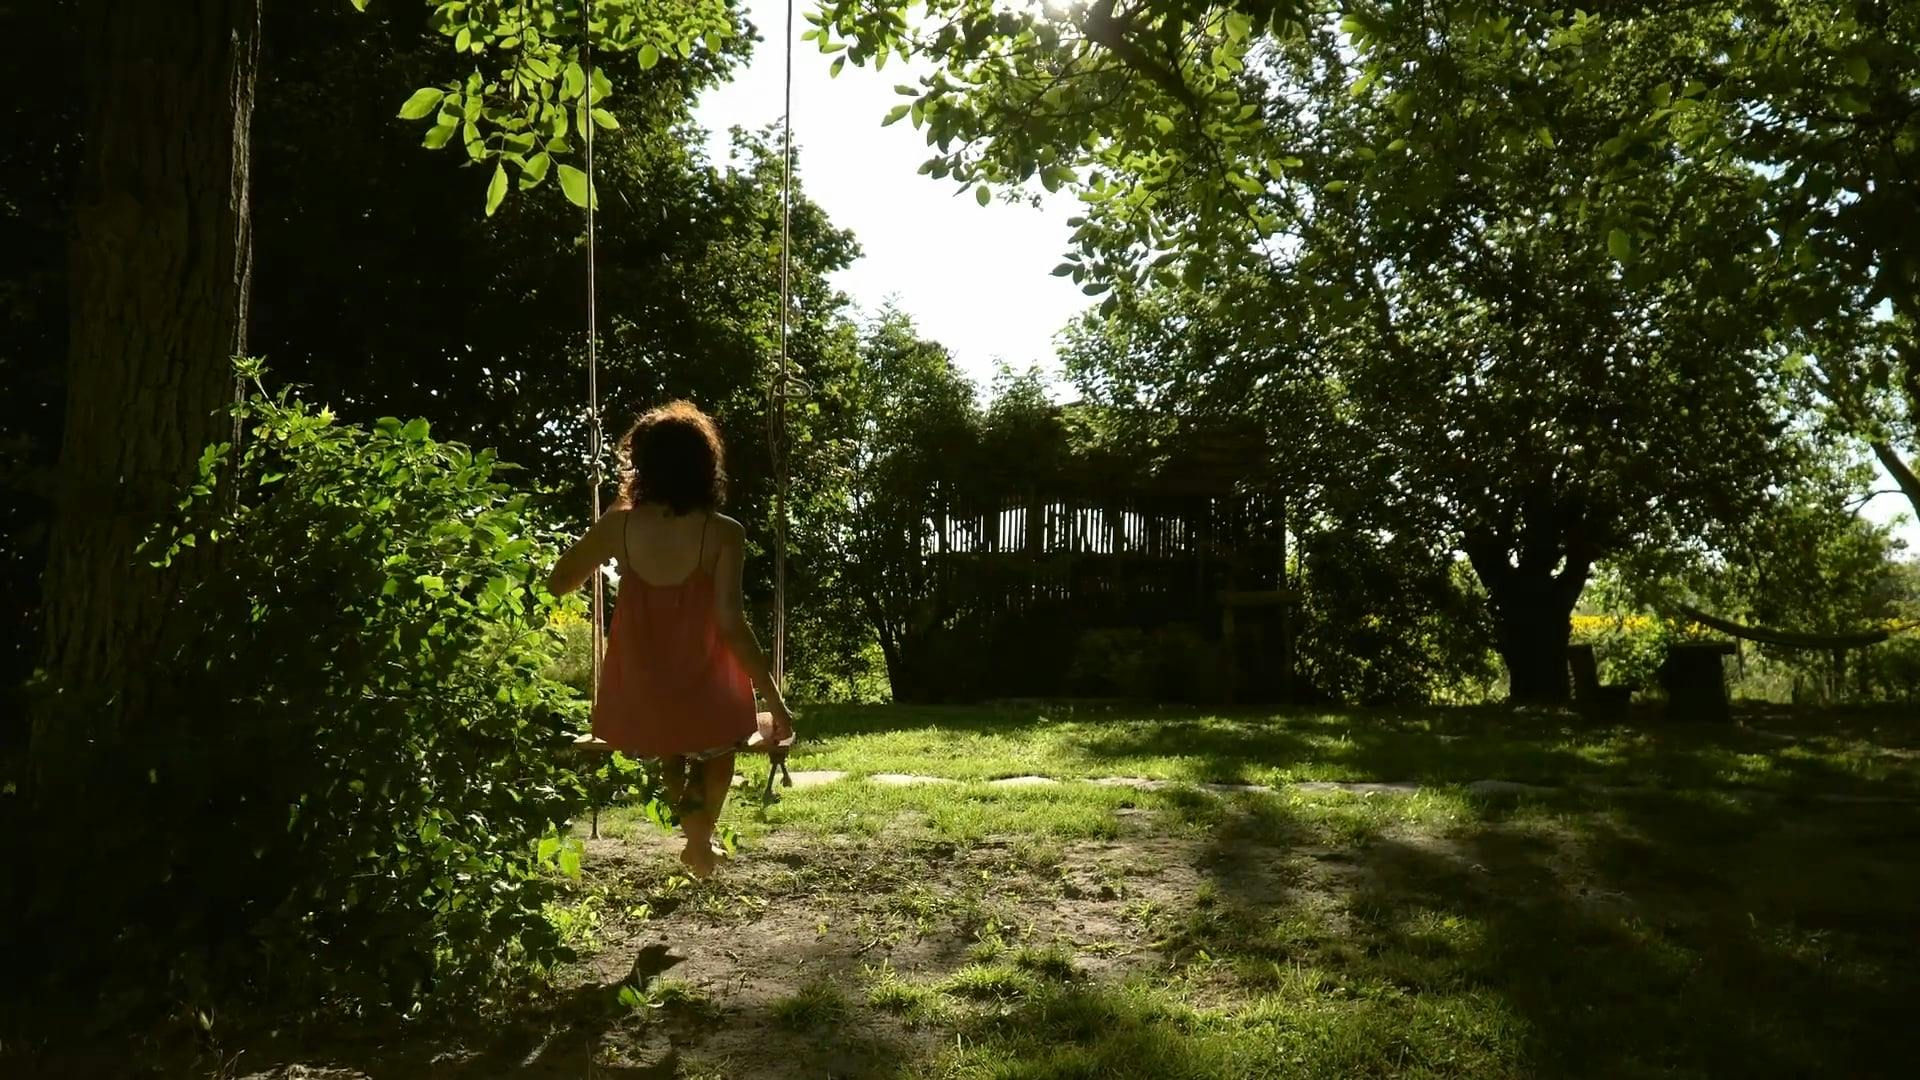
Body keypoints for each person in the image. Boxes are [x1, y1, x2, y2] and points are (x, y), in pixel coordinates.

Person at [548, 401, 795, 878]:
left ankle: (697, 843)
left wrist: (609, 525)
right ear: (705, 465)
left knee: (672, 749)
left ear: (640, 466)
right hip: (707, 682)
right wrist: (775, 703)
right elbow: (730, 624)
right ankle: (700, 842)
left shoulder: (619, 526)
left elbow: (559, 582)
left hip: (642, 685)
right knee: (720, 750)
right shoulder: (722, 533)